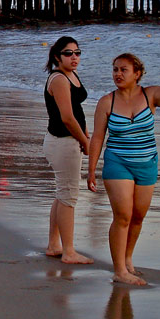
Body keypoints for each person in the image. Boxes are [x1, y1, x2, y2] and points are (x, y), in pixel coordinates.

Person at [88, 53, 160, 285]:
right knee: (122, 216)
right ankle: (119, 270)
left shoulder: (150, 94)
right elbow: (98, 137)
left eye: (123, 70)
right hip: (118, 162)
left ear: (137, 73)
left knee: (138, 216)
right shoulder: (106, 101)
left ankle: (128, 258)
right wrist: (92, 170)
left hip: (147, 163)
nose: (118, 74)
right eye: (115, 70)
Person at [43, 36, 92, 265]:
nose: (74, 57)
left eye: (77, 52)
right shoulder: (59, 79)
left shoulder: (71, 74)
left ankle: (55, 245)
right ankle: (69, 251)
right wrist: (85, 141)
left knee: (62, 193)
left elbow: (77, 109)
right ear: (56, 56)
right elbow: (67, 118)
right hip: (63, 141)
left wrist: (85, 135)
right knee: (69, 196)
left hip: (66, 141)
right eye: (68, 53)